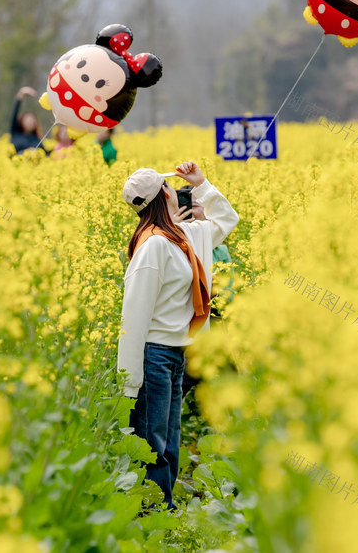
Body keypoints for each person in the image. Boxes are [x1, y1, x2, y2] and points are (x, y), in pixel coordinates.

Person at [118, 161, 239, 511]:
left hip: (177, 352)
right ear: (165, 194)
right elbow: (134, 318)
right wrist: (129, 380)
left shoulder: (185, 236)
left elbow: (227, 220)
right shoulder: (153, 246)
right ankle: (153, 510)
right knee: (153, 439)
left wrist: (202, 184)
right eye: (170, 186)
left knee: (169, 436)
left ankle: (164, 507)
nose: (176, 189)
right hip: (154, 353)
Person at [175, 184, 237, 404]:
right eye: (187, 207)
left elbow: (227, 297)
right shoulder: (170, 241)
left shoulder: (218, 248)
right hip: (183, 333)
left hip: (214, 328)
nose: (192, 212)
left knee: (232, 393)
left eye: (197, 206)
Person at [9, 86, 48, 155]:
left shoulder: (37, 139)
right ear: (21, 121)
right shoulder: (15, 133)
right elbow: (14, 114)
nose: (30, 122)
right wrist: (21, 94)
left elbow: (46, 154)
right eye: (27, 120)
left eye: (32, 120)